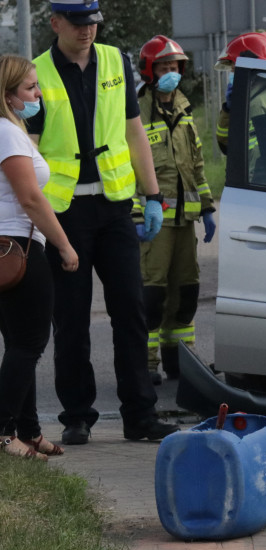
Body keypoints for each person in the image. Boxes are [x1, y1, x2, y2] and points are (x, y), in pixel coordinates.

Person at [27, 0, 177, 445]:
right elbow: (29, 145)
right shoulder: (37, 72)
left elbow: (134, 131)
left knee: (130, 310)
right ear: (55, 23)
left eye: (92, 23)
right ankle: (76, 415)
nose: (86, 31)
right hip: (65, 212)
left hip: (114, 207)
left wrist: (153, 197)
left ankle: (141, 416)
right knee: (70, 319)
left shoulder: (116, 60)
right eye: (77, 24)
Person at [0, 55, 79, 461]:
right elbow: (31, 199)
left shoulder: (10, 130)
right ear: (9, 95)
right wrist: (64, 245)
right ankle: (1, 430)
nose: (38, 94)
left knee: (18, 343)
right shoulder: (8, 135)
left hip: (11, 248)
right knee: (29, 343)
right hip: (19, 249)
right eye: (30, 88)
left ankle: (26, 431)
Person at [134, 35, 216, 385]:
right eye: (164, 67)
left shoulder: (183, 110)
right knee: (152, 293)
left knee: (186, 291)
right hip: (154, 222)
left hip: (185, 219)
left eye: (175, 67)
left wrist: (208, 208)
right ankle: (146, 363)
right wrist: (137, 213)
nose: (171, 73)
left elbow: (196, 164)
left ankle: (179, 361)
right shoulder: (135, 111)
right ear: (150, 72)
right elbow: (129, 166)